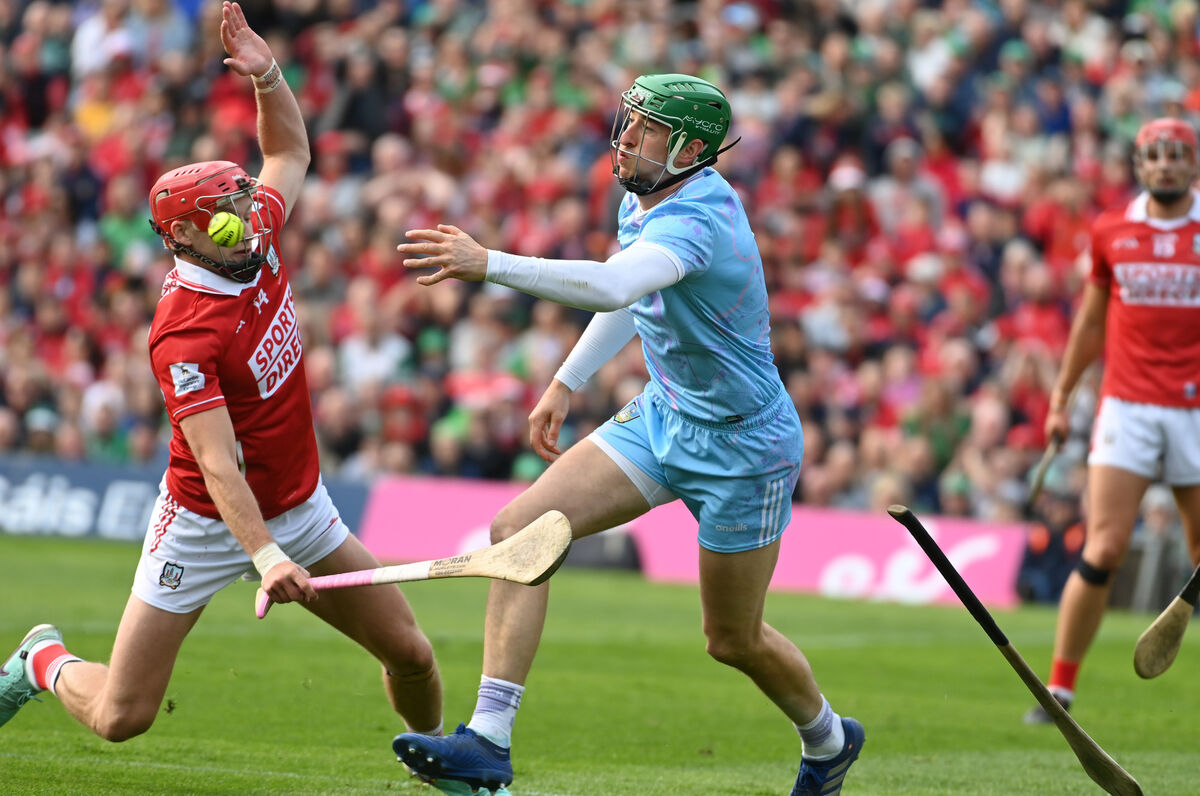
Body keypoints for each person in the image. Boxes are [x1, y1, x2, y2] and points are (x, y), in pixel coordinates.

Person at [390, 74, 864, 796]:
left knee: (731, 640)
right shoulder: (643, 198)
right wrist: (566, 381)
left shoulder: (699, 219)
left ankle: (829, 741)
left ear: (691, 149)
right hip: (664, 416)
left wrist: (489, 263)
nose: (626, 137)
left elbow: (614, 286)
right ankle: (487, 740)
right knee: (521, 529)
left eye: (645, 129)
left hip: (744, 449)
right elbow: (631, 292)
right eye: (628, 121)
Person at [0, 2, 443, 747]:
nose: (249, 212)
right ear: (181, 235)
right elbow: (214, 460)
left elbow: (292, 155)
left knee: (412, 654)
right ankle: (41, 657)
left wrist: (268, 75)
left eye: (242, 196)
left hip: (300, 505)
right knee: (121, 717)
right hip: (204, 522)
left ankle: (442, 760)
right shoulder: (181, 332)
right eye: (225, 208)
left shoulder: (252, 236)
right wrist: (264, 557)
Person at [1024, 116, 1200, 724]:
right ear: (1138, 165)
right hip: (1127, 406)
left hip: (1196, 410)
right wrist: (1062, 399)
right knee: (1103, 547)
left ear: (1193, 164)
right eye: (1155, 155)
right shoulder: (1111, 230)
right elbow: (1091, 322)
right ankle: (1060, 690)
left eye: (1178, 154)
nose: (1166, 164)